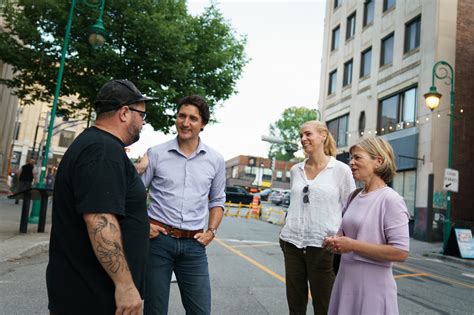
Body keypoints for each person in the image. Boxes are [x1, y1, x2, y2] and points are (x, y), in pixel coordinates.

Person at [46, 79, 157, 314]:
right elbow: (99, 219)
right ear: (125, 113)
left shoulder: (99, 147)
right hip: (93, 298)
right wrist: (125, 287)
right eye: (142, 115)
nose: (143, 122)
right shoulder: (103, 151)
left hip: (90, 294)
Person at [140, 95, 226, 315]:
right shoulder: (156, 153)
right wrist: (143, 225)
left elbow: (217, 200)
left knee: (200, 311)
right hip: (158, 242)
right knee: (155, 310)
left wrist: (211, 232)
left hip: (194, 246)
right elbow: (136, 193)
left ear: (203, 124)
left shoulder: (215, 160)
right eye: (182, 116)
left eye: (193, 118)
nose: (185, 123)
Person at [324, 137, 410, 315]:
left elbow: (400, 252)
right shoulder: (354, 195)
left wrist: (352, 245)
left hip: (373, 287)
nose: (351, 162)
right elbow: (344, 234)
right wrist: (334, 241)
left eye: (357, 158)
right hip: (346, 280)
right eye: (351, 158)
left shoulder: (391, 200)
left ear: (378, 161)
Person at [279, 120, 355, 315]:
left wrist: (340, 236)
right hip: (292, 243)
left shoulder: (341, 170)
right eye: (301, 136)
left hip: (323, 246)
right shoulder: (295, 170)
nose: (303, 139)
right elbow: (295, 204)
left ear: (323, 135)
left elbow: (351, 208)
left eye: (308, 134)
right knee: (295, 305)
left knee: (324, 306)